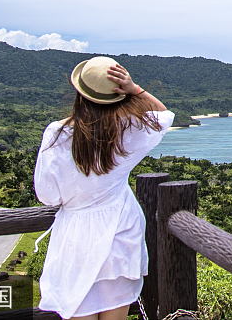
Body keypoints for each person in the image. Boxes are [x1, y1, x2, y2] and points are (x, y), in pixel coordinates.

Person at [34, 56, 174, 320]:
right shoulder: (127, 131)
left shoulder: (57, 133)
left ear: (80, 94)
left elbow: (47, 195)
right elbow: (163, 116)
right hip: (121, 236)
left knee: (78, 310)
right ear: (118, 97)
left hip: (76, 239)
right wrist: (135, 90)